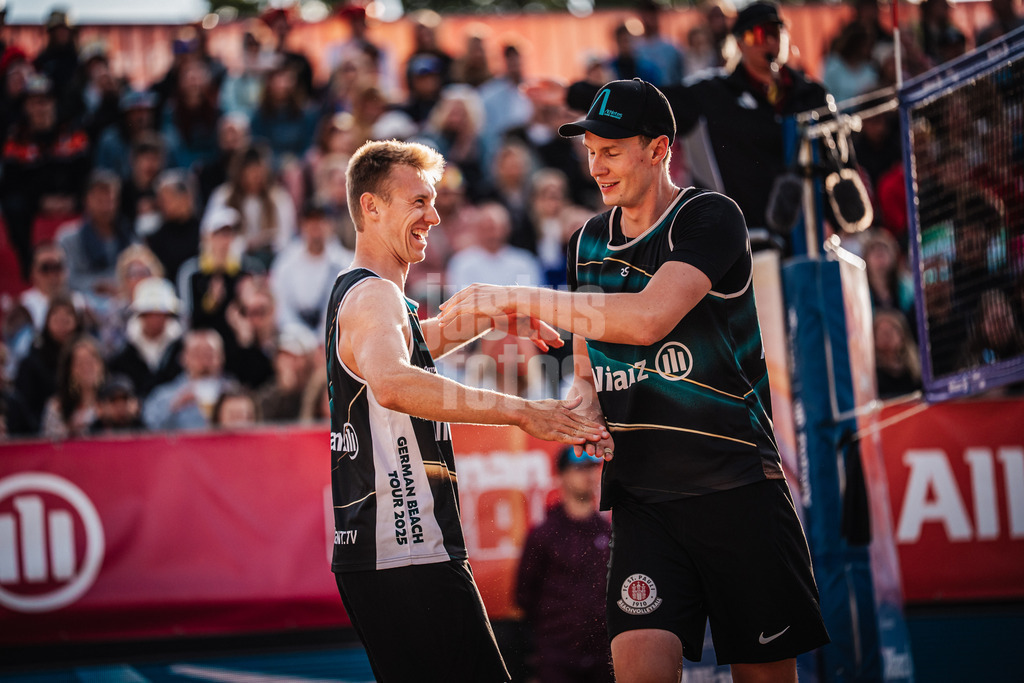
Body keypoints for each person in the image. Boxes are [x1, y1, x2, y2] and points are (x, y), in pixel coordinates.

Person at [440, 78, 829, 683]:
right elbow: (591, 347)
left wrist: (516, 295)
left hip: (733, 487)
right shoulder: (588, 241)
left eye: (612, 151)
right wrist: (585, 396)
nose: (596, 166)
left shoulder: (709, 216)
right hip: (642, 497)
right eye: (591, 150)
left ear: (658, 149)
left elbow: (647, 318)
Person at [324, 139, 606, 683]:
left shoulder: (359, 293)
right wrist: (523, 412)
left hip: (386, 551)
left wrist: (495, 313)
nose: (434, 217)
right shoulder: (375, 296)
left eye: (434, 203)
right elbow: (393, 382)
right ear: (370, 207)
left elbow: (412, 348)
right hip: (404, 549)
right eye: (419, 202)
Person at [515, 447, 612, 683]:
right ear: (561, 476)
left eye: (592, 468)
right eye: (579, 468)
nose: (588, 475)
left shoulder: (609, 533)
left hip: (604, 657)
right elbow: (524, 596)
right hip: (557, 658)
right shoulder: (544, 534)